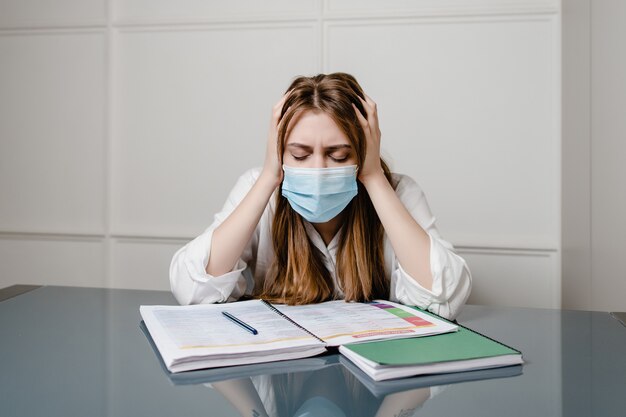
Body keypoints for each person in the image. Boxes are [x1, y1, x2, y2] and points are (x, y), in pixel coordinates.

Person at [170, 73, 471, 320]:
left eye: (338, 156)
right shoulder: (257, 188)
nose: (318, 170)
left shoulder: (399, 193)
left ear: (363, 151)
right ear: (280, 151)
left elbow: (442, 298)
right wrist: (268, 178)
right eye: (299, 154)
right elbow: (193, 290)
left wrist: (374, 178)